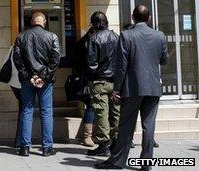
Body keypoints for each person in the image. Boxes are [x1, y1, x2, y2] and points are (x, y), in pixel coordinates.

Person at [94, 5, 169, 170]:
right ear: (149, 17)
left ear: (132, 18)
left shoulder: (126, 36)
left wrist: (116, 90)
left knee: (126, 126)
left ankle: (118, 161)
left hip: (133, 87)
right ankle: (146, 164)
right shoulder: (160, 36)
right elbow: (164, 60)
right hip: (153, 87)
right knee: (149, 126)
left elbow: (121, 66)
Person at [13, 11, 60, 157]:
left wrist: (30, 76)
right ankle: (47, 148)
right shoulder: (52, 36)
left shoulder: (21, 36)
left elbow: (17, 59)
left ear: (32, 21)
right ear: (44, 21)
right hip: (45, 82)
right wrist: (43, 77)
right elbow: (55, 60)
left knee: (27, 111)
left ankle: (24, 148)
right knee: (46, 112)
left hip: (28, 80)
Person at [85, 11, 120, 156]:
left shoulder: (94, 39)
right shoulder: (117, 37)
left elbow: (91, 64)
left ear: (94, 24)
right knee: (115, 112)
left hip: (99, 81)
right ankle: (116, 141)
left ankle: (104, 144)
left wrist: (91, 77)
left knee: (101, 114)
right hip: (116, 81)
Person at [71, 27, 96, 147]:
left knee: (91, 106)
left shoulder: (81, 43)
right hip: (89, 80)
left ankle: (89, 135)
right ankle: (88, 136)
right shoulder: (89, 44)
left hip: (84, 79)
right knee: (91, 106)